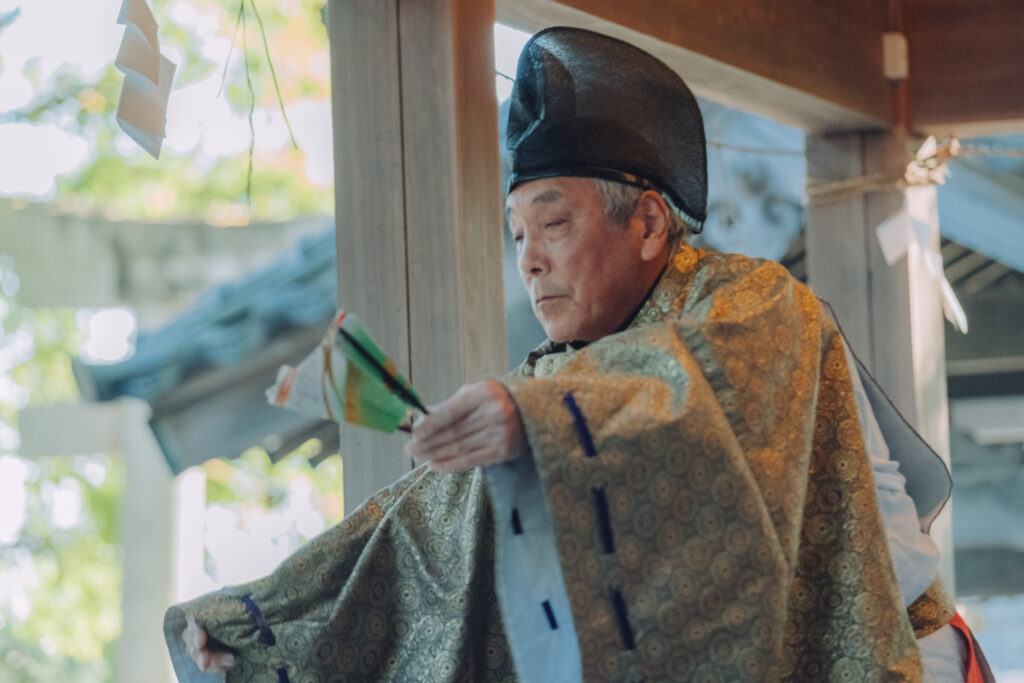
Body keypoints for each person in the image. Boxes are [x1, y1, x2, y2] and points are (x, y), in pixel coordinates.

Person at [166, 27, 989, 682]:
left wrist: (526, 418)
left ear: (649, 225)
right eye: (517, 234)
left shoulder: (753, 306)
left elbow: (694, 385)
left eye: (554, 224)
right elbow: (424, 528)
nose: (528, 259)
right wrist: (266, 619)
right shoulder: (559, 382)